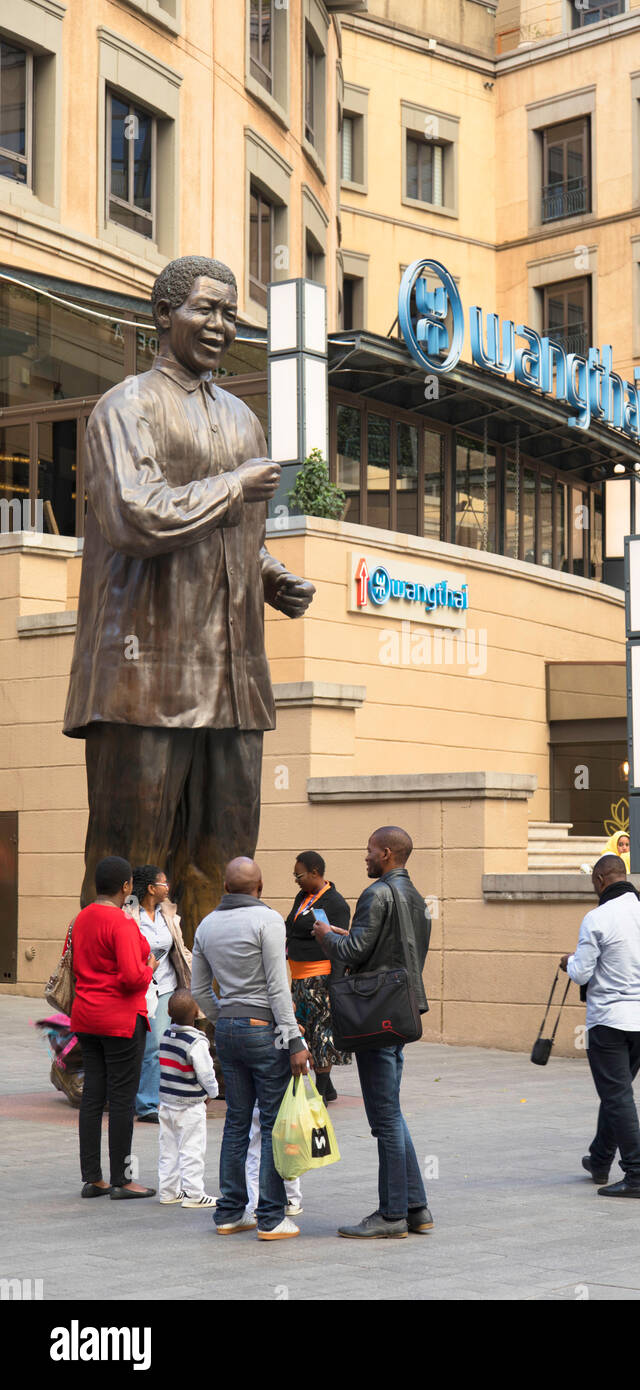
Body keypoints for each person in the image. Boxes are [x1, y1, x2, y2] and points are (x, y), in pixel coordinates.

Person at [63, 255, 315, 929]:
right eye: (205, 308)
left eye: (231, 313)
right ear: (163, 315)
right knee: (129, 860)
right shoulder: (127, 406)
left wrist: (271, 574)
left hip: (232, 681)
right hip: (145, 677)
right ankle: (109, 1010)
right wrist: (234, 487)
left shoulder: (242, 420)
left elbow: (238, 536)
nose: (220, 325)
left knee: (226, 859)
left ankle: (206, 1008)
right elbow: (135, 515)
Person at [312, 826, 432, 1239]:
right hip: (399, 1012)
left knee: (384, 1117)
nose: (364, 858)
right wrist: (350, 937)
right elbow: (398, 952)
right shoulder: (416, 898)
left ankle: (392, 1214)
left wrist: (328, 936)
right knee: (391, 1113)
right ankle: (416, 1209)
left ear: (385, 853)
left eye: (368, 852)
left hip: (375, 1016)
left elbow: (353, 953)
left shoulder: (376, 893)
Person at [191, 856, 310, 1240]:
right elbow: (279, 988)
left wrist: (224, 1014)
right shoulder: (269, 920)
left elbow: (197, 990)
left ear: (225, 888)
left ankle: (229, 1213)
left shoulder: (207, 925)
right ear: (260, 887)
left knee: (237, 1121)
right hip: (265, 1029)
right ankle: (272, 1218)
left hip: (227, 1030)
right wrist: (294, 1039)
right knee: (273, 1124)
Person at [561, 853, 640, 1198]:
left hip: (607, 1020)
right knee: (616, 1094)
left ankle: (637, 1175)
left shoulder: (596, 918)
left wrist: (568, 962)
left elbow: (582, 972)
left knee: (618, 1096)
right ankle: (600, 1159)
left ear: (600, 879)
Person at [69, 855, 157, 1199]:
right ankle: (123, 1179)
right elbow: (132, 977)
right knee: (122, 1100)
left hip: (86, 1016)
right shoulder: (121, 923)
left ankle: (93, 1177)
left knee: (93, 1096)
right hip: (119, 1019)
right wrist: (149, 966)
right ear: (126, 887)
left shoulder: (82, 918)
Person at [286, 851, 352, 1104]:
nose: (296, 880)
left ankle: (321, 1091)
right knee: (306, 1031)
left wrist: (335, 983)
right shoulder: (303, 897)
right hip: (299, 978)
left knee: (322, 1033)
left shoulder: (335, 903)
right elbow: (293, 926)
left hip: (321, 979)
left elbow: (339, 945)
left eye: (299, 875)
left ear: (315, 872)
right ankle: (329, 1086)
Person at [127, 865, 192, 1122]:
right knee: (139, 1045)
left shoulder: (168, 913)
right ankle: (138, 1098)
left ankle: (149, 1103)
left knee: (156, 1045)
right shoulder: (129, 914)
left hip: (164, 987)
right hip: (137, 987)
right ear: (151, 888)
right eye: (163, 883)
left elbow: (179, 946)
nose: (168, 887)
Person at [157, 988, 219, 1208]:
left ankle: (168, 1191)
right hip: (190, 1106)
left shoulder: (166, 1036)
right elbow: (206, 1073)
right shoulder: (197, 1042)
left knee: (168, 1149)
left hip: (166, 1103)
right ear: (196, 1013)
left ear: (168, 1011)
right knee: (192, 1149)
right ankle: (193, 1194)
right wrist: (212, 1092)